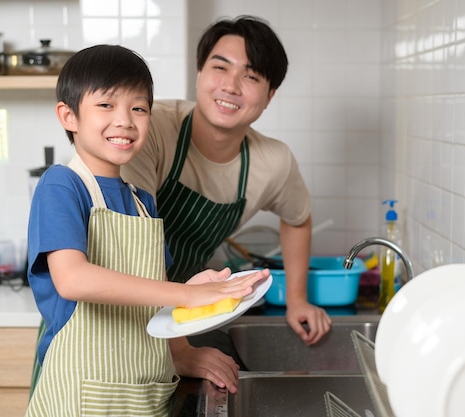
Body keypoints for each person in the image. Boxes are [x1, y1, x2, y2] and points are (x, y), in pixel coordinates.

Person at [25, 44, 269, 416]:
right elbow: (73, 279)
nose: (125, 120)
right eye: (106, 105)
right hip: (82, 397)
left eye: (138, 108)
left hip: (143, 395)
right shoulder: (62, 185)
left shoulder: (142, 201)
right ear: (68, 116)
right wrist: (183, 297)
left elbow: (149, 296)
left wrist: (185, 321)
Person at [121, 15, 332, 388]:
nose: (231, 86)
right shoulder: (151, 129)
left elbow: (297, 218)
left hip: (181, 312)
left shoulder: (273, 162)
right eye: (220, 67)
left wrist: (297, 299)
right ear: (200, 73)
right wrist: (180, 350)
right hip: (115, 304)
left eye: (250, 77)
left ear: (270, 96)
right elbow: (131, 245)